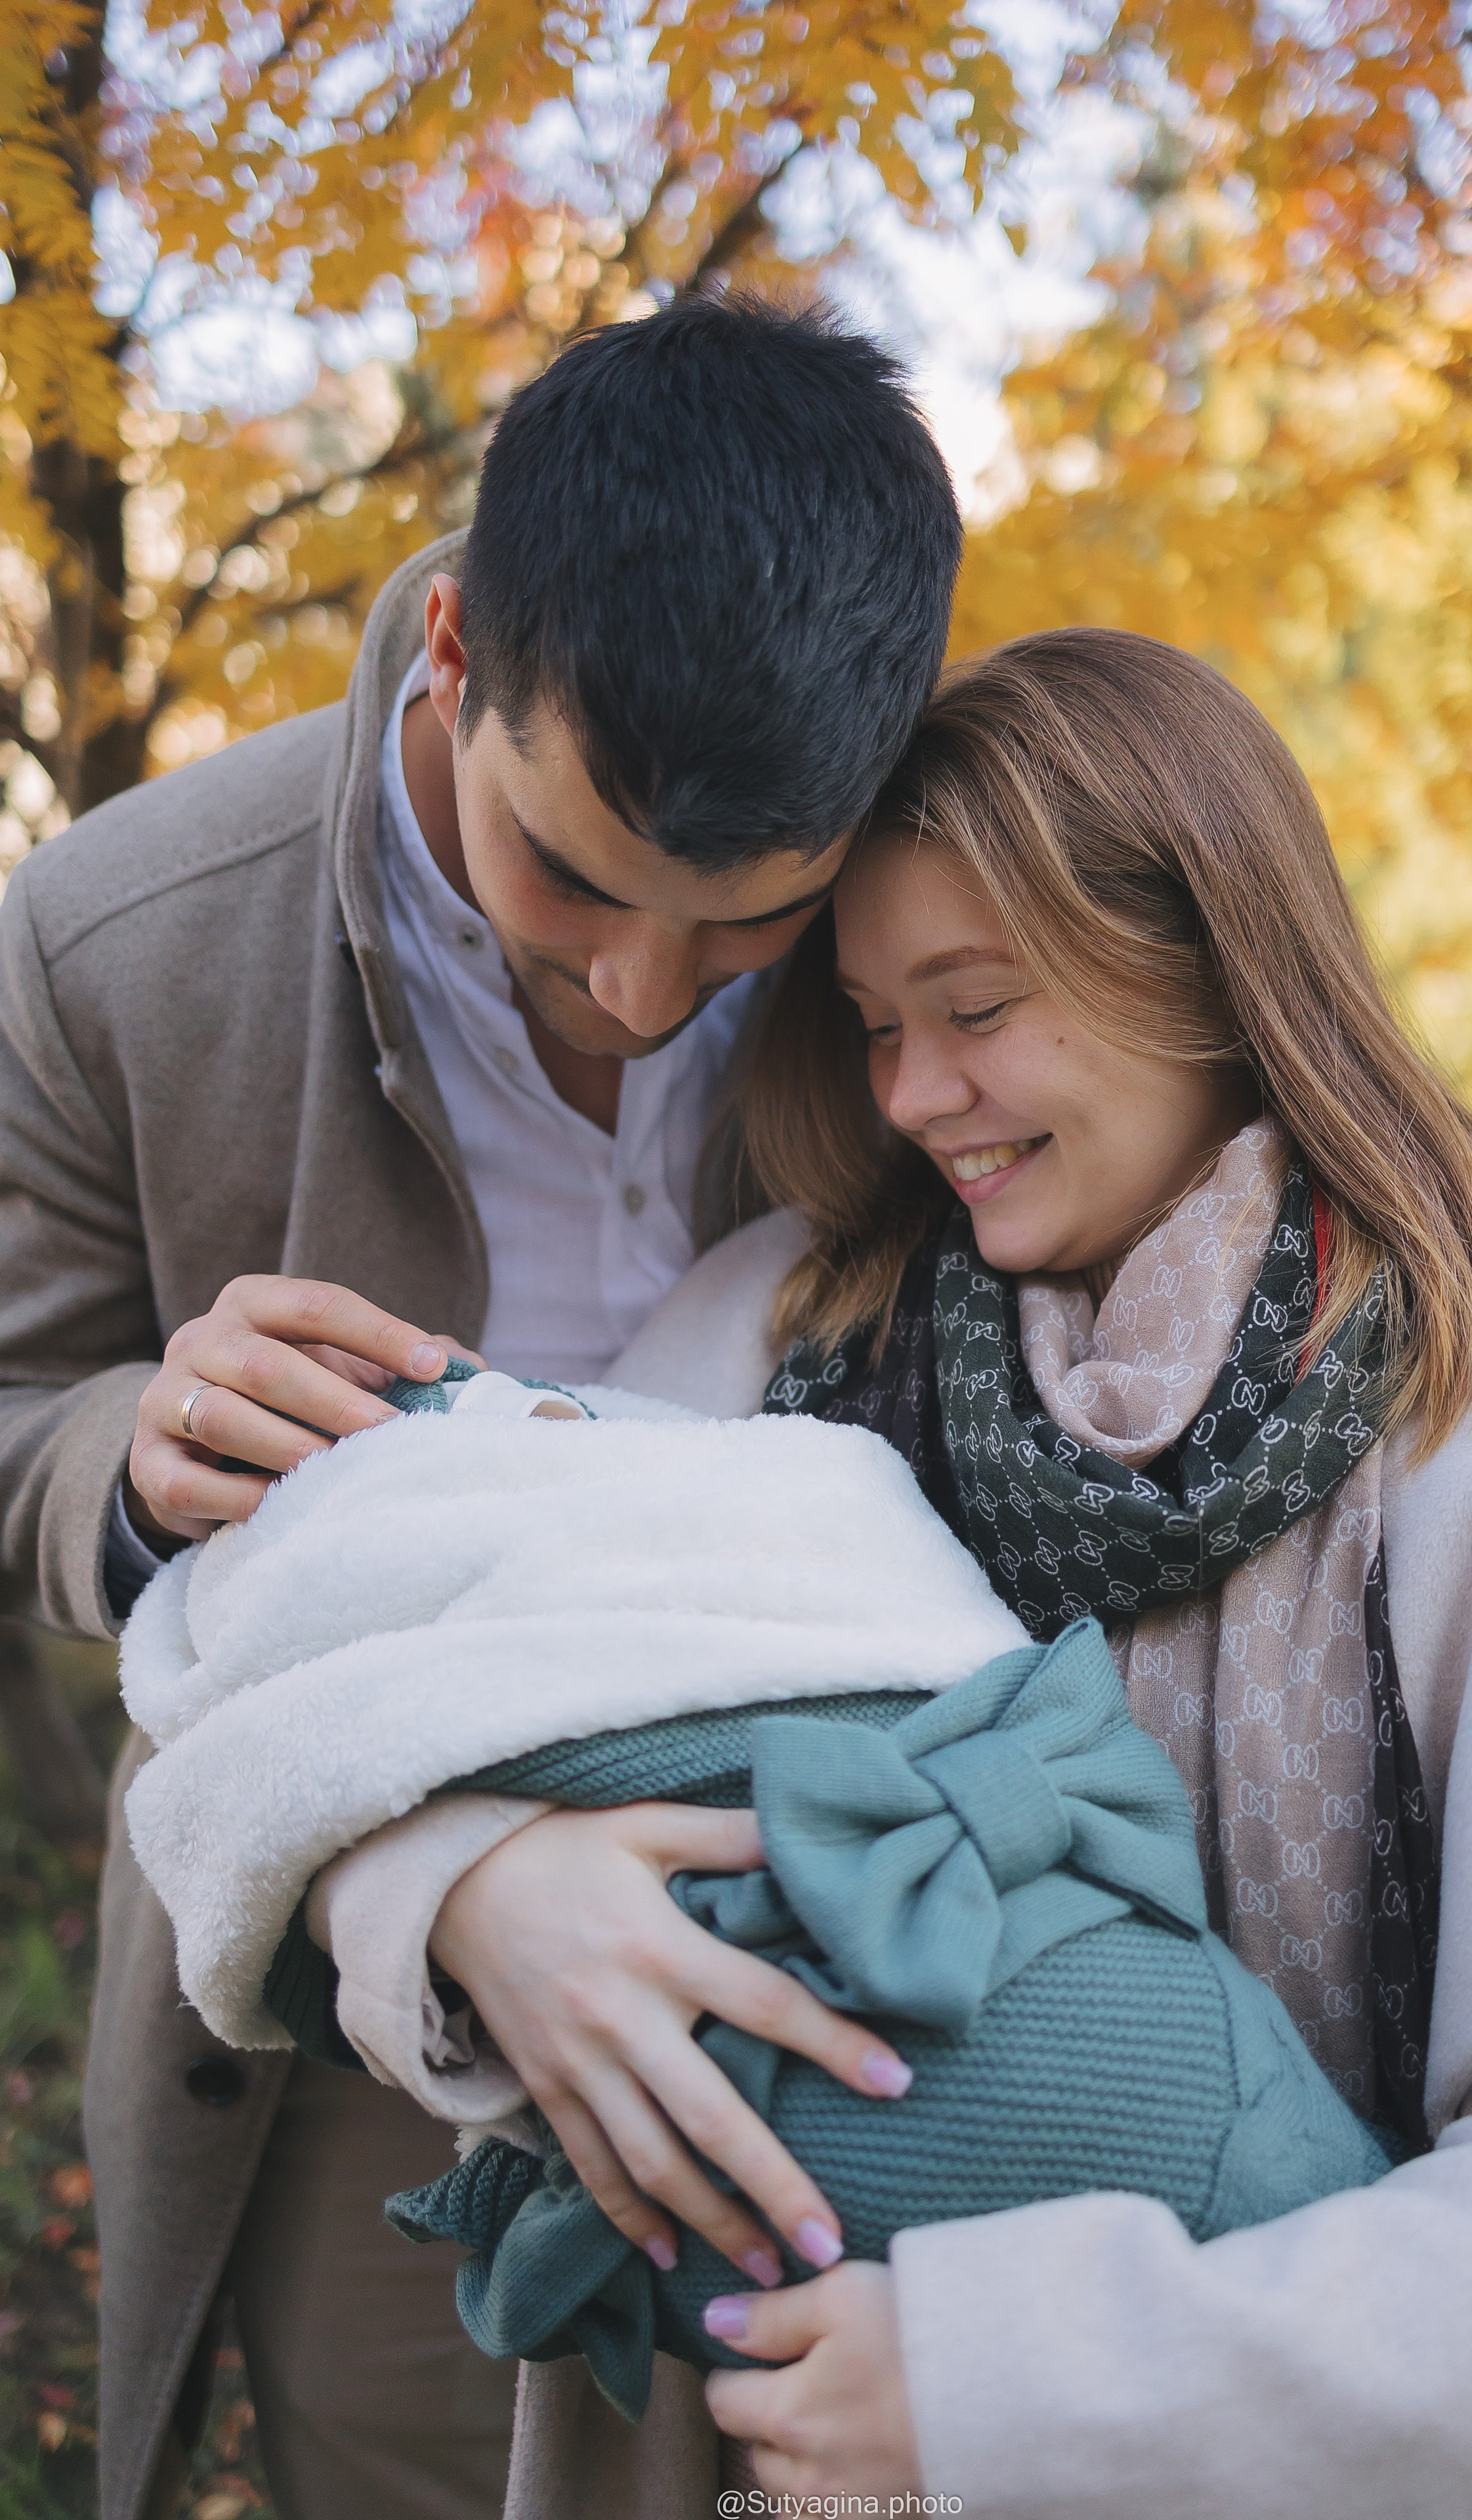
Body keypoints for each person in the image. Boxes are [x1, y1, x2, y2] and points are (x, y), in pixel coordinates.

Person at [352, 627, 1472, 2519]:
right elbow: (428, 1697)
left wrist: (1009, 2387)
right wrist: (467, 1892)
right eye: (874, 1024)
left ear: (1209, 969)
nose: (912, 1096)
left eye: (975, 1009)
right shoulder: (773, 1334)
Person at [0, 294, 962, 2520]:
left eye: (746, 933)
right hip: (349, 1972)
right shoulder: (109, 943)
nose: (638, 990)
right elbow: (17, 1401)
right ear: (454, 651)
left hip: (891, 1914)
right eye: (573, 881)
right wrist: (135, 1460)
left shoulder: (948, 912)